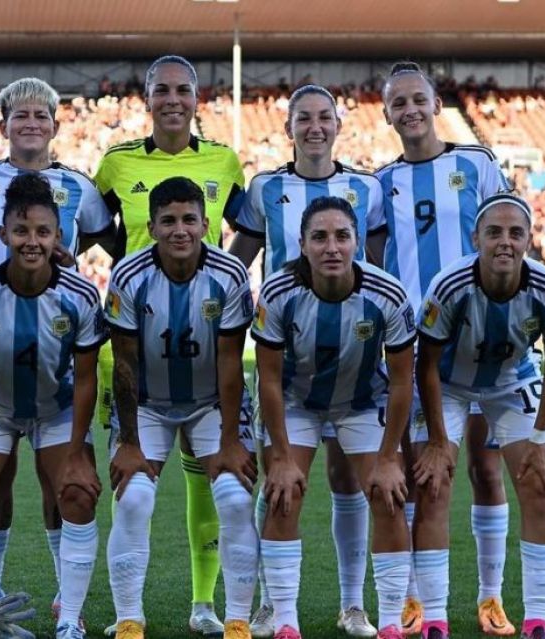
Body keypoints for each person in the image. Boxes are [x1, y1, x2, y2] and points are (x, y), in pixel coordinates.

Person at [0, 77, 113, 626]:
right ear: (4, 124)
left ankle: (69, 610)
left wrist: (69, 254)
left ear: (56, 127)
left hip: (56, 344)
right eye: (20, 115)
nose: (31, 123)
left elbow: (114, 238)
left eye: (41, 116)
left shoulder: (77, 186)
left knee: (68, 486)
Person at [94, 54, 247, 636]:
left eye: (184, 90)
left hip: (206, 347)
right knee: (131, 489)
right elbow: (94, 227)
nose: (173, 100)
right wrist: (139, 276)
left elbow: (247, 225)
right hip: (137, 342)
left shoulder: (224, 161)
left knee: (213, 490)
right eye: (162, 90)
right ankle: (126, 614)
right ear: (147, 97)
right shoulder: (116, 162)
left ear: (197, 97)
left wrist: (222, 278)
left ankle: (208, 605)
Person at [229, 84, 385, 638]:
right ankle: (273, 605)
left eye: (324, 118)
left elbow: (379, 266)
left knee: (350, 481)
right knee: (281, 481)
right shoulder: (264, 187)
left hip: (354, 361)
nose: (314, 127)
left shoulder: (368, 187)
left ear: (339, 125)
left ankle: (353, 605)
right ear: (288, 127)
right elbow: (239, 260)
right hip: (286, 359)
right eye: (303, 119)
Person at [372, 61, 512, 637]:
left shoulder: (475, 162)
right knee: (416, 471)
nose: (410, 110)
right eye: (398, 103)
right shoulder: (382, 181)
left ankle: (490, 597)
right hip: (412, 345)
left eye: (417, 100)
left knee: (485, 469)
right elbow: (374, 256)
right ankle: (412, 599)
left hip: (482, 340)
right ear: (387, 115)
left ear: (435, 104)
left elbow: (509, 231)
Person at [252, 196, 416, 639]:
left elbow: (402, 381)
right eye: (319, 237)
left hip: (362, 401)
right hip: (294, 401)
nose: (331, 247)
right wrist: (282, 455)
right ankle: (284, 619)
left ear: (356, 243)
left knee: (387, 493)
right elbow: (267, 378)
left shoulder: (387, 294)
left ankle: (389, 623)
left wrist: (387, 458)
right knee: (285, 490)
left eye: (342, 236)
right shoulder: (278, 292)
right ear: (302, 245)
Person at [414, 194, 545, 639]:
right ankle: (434, 620)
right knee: (431, 486)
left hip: (511, 382)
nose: (504, 242)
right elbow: (425, 363)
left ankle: (536, 620)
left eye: (515, 233)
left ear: (528, 239)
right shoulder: (449, 286)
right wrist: (434, 440)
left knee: (540, 485)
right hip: (446, 382)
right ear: (476, 239)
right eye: (494, 232)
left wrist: (541, 436)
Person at [104, 177, 258, 639]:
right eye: (168, 220)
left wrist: (231, 440)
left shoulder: (229, 274)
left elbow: (232, 362)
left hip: (210, 401)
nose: (180, 230)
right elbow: (125, 363)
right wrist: (129, 442)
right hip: (147, 404)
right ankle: (129, 617)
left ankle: (237, 621)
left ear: (206, 224)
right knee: (133, 497)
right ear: (150, 227)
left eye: (189, 219)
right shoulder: (128, 276)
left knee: (234, 498)